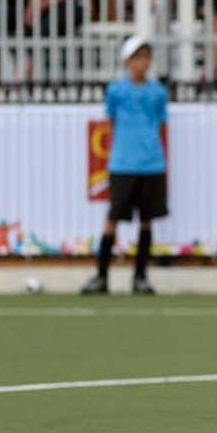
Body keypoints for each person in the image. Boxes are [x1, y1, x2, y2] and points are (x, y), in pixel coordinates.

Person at [81, 36, 168, 296]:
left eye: (146, 56)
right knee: (113, 219)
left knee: (147, 221)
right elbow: (111, 117)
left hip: (152, 164)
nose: (143, 62)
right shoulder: (117, 91)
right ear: (127, 61)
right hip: (123, 162)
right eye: (138, 57)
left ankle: (140, 277)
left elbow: (160, 121)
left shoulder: (158, 93)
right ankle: (101, 276)